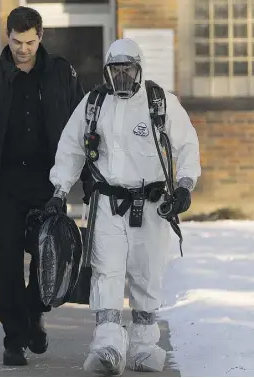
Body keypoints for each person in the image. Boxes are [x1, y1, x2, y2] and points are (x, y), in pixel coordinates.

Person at [47, 38, 201, 375]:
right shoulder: (95, 104)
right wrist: (60, 189)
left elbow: (188, 145)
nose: (121, 75)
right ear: (107, 70)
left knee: (147, 275)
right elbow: (71, 147)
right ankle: (107, 345)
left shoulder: (160, 103)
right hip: (108, 204)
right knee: (107, 272)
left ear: (139, 68)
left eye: (127, 68)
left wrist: (186, 185)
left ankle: (145, 346)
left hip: (153, 205)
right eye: (115, 69)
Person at [0, 6, 91, 366]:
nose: (22, 49)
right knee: (6, 264)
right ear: (8, 36)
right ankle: (14, 337)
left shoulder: (62, 73)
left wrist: (88, 179)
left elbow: (83, 131)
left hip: (49, 184)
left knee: (50, 256)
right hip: (2, 186)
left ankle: (34, 312)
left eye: (29, 42)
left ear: (40, 36)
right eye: (16, 42)